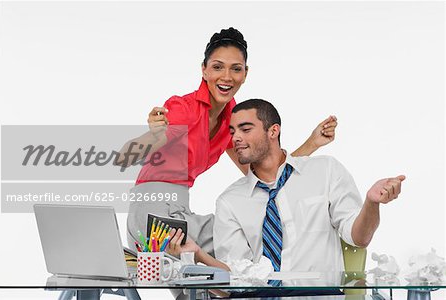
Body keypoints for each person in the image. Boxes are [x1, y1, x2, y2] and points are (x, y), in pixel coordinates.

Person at [118, 28, 338, 255]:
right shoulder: (184, 110)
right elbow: (124, 158)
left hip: (178, 213)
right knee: (236, 232)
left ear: (245, 73)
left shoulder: (231, 122)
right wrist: (153, 135)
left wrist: (312, 143)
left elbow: (266, 172)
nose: (226, 77)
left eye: (236, 69)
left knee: (207, 282)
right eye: (217, 67)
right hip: (153, 214)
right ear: (204, 70)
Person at [167, 99, 405, 280]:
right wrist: (199, 255)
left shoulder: (326, 171)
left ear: (273, 131)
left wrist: (371, 203)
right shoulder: (230, 201)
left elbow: (358, 237)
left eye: (246, 129)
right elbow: (237, 277)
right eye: (232, 132)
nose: (236, 138)